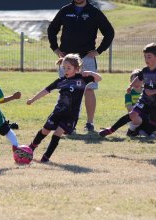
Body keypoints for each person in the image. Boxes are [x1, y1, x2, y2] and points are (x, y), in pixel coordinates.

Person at [47, 0, 114, 131]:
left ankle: (89, 123)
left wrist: (99, 50)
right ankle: (66, 123)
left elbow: (109, 32)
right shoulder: (65, 10)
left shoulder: (94, 12)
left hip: (87, 58)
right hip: (67, 59)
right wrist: (55, 49)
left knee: (89, 89)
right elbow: (52, 29)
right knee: (67, 91)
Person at [27, 54, 101, 162]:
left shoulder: (83, 79)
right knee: (45, 130)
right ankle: (32, 147)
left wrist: (90, 72)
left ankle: (46, 157)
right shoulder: (61, 81)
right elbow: (46, 90)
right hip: (58, 112)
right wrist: (33, 99)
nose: (65, 70)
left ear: (76, 68)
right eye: (64, 67)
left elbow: (99, 78)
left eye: (68, 68)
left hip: (71, 115)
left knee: (57, 133)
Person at [99, 43, 156, 146]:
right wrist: (131, 86)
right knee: (132, 114)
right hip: (145, 100)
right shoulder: (145, 70)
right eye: (145, 56)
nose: (146, 59)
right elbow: (138, 78)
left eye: (149, 56)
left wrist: (153, 92)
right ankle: (111, 129)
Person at [124, 69, 156, 137]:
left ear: (144, 81)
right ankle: (132, 130)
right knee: (139, 119)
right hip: (135, 117)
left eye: (139, 81)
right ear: (131, 81)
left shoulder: (147, 92)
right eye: (134, 81)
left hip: (146, 116)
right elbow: (129, 108)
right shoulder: (129, 94)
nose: (137, 83)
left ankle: (142, 131)